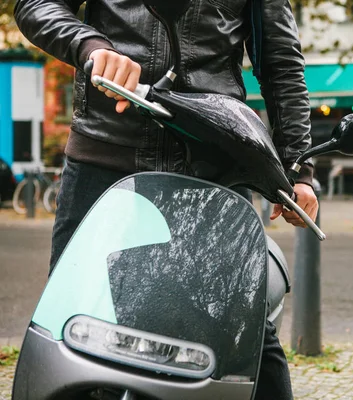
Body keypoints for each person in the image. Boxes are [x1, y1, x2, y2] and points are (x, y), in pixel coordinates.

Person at [14, 0, 318, 398]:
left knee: (243, 329)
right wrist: (90, 45)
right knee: (73, 320)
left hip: (213, 159)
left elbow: (280, 59)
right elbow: (36, 4)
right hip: (105, 153)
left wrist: (299, 167)